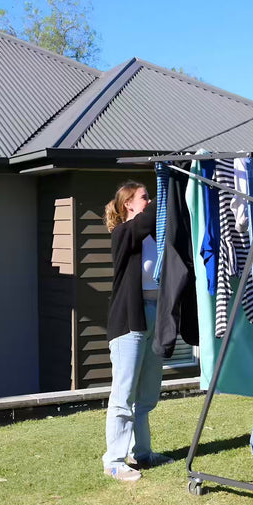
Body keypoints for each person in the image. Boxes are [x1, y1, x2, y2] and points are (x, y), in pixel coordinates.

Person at [101, 181, 174, 481]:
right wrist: (167, 184)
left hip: (155, 315)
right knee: (123, 392)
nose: (149, 202)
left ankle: (141, 453)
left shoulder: (153, 234)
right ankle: (114, 460)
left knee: (146, 394)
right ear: (128, 204)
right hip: (129, 320)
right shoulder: (123, 234)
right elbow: (147, 219)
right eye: (144, 197)